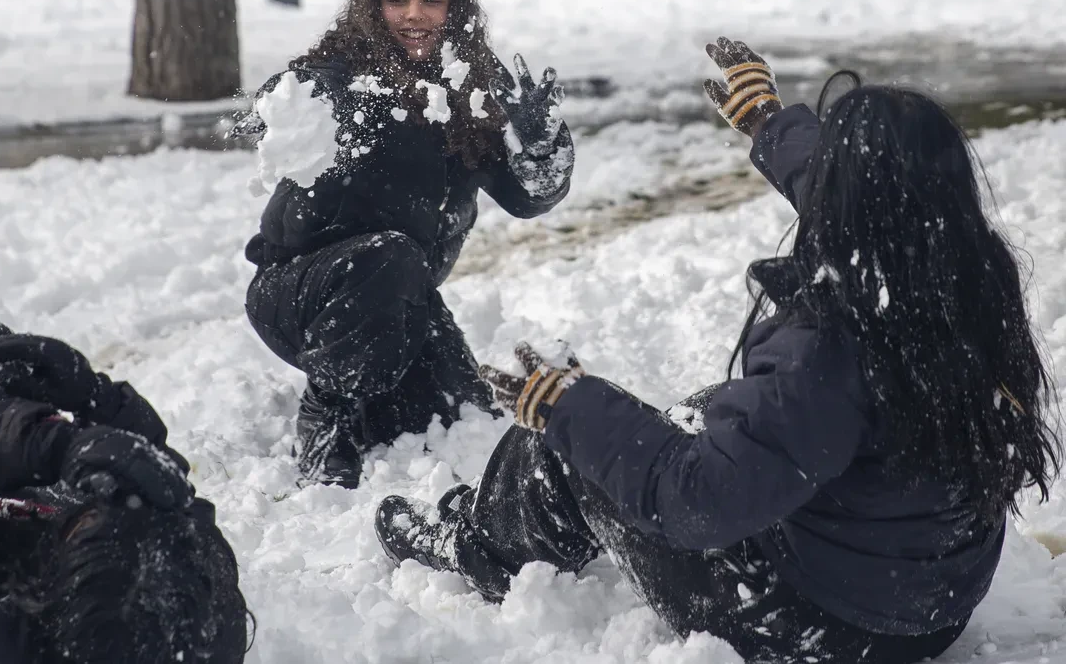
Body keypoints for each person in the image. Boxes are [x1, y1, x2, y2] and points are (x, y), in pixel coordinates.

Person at [372, 38, 1061, 664]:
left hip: (829, 630)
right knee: (703, 414)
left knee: (566, 440)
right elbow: (867, 188)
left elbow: (700, 500)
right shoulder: (964, 271)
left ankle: (478, 548)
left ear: (849, 199)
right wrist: (767, 123)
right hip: (932, 602)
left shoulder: (830, 348)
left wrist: (569, 407)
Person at [241, 0, 575, 489]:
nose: (414, 15)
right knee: (389, 257)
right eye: (397, 0)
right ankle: (327, 414)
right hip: (301, 295)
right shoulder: (342, 73)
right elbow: (271, 114)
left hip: (400, 297)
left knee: (458, 417)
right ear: (374, 8)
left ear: (455, 9)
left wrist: (540, 145)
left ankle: (369, 401)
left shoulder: (471, 89)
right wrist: (306, 106)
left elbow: (527, 198)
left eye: (432, 0)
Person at [0, 317, 252, 664]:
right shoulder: (207, 630)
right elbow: (173, 495)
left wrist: (56, 445)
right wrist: (97, 402)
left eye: (85, 524)